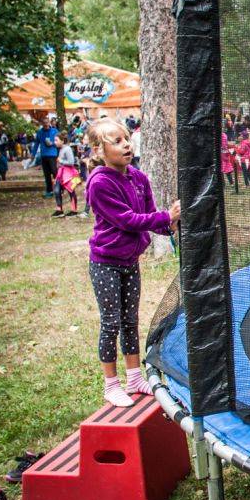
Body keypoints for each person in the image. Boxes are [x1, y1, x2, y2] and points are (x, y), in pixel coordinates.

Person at [84, 119, 180, 407]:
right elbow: (127, 220)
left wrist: (171, 224)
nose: (126, 144)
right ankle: (111, 384)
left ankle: (135, 377)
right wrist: (166, 217)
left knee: (130, 320)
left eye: (126, 138)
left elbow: (148, 216)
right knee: (111, 321)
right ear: (99, 151)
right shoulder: (99, 183)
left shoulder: (138, 178)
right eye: (116, 141)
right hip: (106, 263)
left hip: (129, 261)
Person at [52, 131, 80, 217]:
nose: (54, 142)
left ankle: (74, 210)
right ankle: (59, 210)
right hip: (61, 174)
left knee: (71, 191)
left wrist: (61, 161)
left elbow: (71, 162)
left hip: (68, 174)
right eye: (54, 140)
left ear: (62, 141)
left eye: (56, 140)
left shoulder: (67, 149)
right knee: (57, 190)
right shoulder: (60, 149)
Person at [31, 117, 60, 197]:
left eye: (47, 123)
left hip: (52, 155)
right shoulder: (40, 132)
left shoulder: (54, 131)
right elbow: (36, 143)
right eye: (44, 124)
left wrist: (52, 144)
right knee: (47, 174)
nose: (46, 125)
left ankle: (59, 189)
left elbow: (60, 142)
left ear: (49, 123)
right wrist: (33, 154)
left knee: (55, 173)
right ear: (42, 124)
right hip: (43, 155)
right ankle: (49, 191)